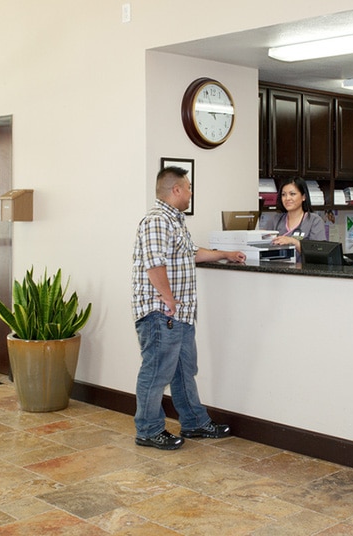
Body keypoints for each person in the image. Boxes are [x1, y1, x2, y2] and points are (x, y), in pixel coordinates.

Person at [131, 166, 246, 450]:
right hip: (162, 313)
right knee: (156, 372)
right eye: (189, 187)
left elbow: (190, 253)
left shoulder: (175, 221)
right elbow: (154, 263)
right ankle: (148, 430)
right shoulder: (157, 220)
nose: (192, 193)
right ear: (176, 190)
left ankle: (194, 422)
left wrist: (225, 255)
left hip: (179, 313)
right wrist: (167, 298)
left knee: (184, 370)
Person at [266, 177, 326, 253]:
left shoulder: (314, 221)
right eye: (283, 195)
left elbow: (319, 251)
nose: (287, 198)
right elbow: (261, 239)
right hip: (278, 264)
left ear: (303, 197)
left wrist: (294, 242)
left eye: (292, 194)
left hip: (303, 265)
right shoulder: (275, 220)